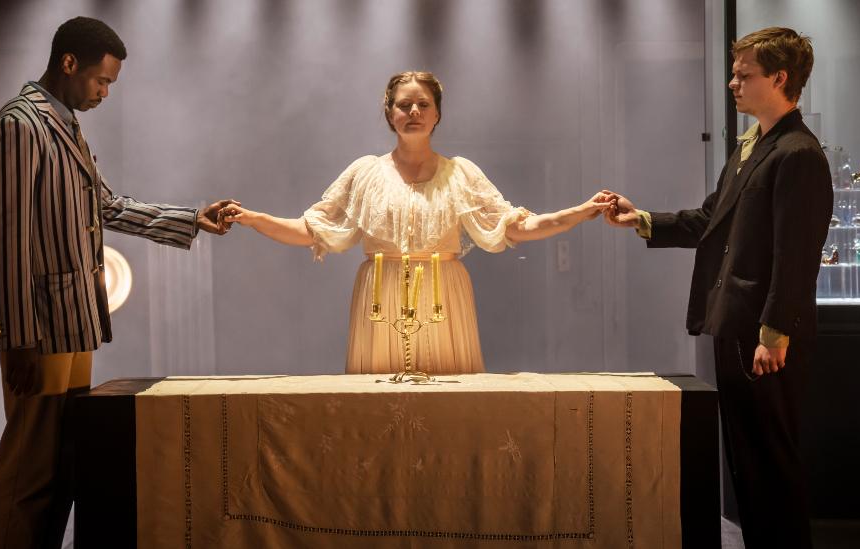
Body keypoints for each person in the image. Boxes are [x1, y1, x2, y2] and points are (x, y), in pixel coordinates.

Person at [0, 16, 237, 548]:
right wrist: (17, 336)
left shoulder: (64, 125)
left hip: (75, 320)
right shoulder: (19, 126)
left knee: (62, 464)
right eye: (102, 81)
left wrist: (190, 219)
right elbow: (7, 242)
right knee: (29, 466)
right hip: (40, 327)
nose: (104, 92)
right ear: (69, 63)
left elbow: (107, 207)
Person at [602, 27, 831, 549]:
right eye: (734, 73)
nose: (732, 83)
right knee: (750, 463)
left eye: (743, 74)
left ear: (780, 77)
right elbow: (712, 219)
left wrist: (774, 334)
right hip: (736, 324)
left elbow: (795, 259)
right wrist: (641, 219)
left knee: (770, 463)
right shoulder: (757, 147)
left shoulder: (797, 153)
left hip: (764, 337)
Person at [220, 71, 611, 374]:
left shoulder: (460, 173)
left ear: (437, 113)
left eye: (423, 105)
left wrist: (578, 212)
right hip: (381, 292)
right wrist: (255, 219)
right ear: (389, 114)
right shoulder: (365, 172)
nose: (414, 113)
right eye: (404, 105)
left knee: (446, 405)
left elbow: (514, 228)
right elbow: (311, 229)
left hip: (444, 294)